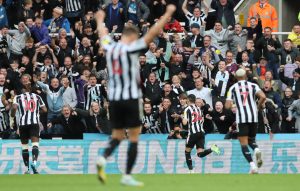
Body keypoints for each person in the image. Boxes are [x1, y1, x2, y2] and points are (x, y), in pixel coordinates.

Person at [95, 5, 176, 186]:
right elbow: (153, 32)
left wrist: (100, 20)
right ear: (132, 36)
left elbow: (102, 34)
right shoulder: (132, 48)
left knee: (116, 135)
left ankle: (103, 158)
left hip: (114, 99)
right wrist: (168, 13)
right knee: (134, 137)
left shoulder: (110, 47)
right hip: (130, 98)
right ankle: (127, 176)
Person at [225, 68, 266, 174]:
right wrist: (257, 106)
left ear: (236, 77)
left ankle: (253, 167)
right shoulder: (253, 85)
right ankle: (256, 149)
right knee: (251, 139)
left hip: (242, 118)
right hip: (253, 116)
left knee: (243, 143)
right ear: (245, 76)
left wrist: (232, 104)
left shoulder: (233, 88)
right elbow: (263, 96)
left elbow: (227, 106)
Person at [11, 76, 47, 174]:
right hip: (34, 123)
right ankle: (34, 163)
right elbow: (45, 110)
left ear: (22, 89)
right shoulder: (37, 97)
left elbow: (13, 111)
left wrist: (13, 111)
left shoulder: (17, 98)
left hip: (23, 124)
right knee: (35, 144)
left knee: (24, 146)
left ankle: (27, 169)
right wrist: (36, 113)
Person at [182, 94, 220, 173]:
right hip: (201, 132)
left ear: (188, 100)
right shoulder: (199, 109)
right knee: (200, 154)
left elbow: (185, 123)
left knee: (187, 152)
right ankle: (212, 148)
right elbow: (202, 120)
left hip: (193, 133)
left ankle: (191, 171)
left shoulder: (187, 109)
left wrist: (182, 117)